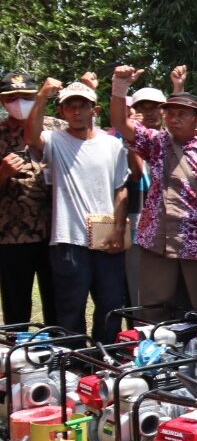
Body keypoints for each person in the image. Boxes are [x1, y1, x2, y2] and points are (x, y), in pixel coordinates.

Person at [107, 66, 197, 311]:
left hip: (196, 245)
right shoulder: (156, 143)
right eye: (170, 114)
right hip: (155, 243)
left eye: (182, 114)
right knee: (153, 314)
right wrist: (120, 86)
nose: (174, 119)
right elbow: (119, 121)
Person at [25, 79, 129, 342]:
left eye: (82, 106)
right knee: (71, 308)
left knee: (111, 305)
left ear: (94, 110)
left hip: (107, 239)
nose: (76, 112)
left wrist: (118, 229)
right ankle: (73, 363)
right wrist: (41, 97)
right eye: (70, 106)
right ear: (61, 112)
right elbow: (31, 137)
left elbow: (121, 189)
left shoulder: (112, 145)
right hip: (68, 239)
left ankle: (107, 360)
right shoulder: (54, 140)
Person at [0, 72, 61, 323]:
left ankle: (58, 354)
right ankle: (19, 356)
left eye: (25, 96)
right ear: (2, 102)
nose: (18, 101)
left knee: (58, 302)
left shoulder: (58, 128)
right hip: (11, 236)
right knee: (16, 308)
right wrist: (2, 174)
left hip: (56, 234)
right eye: (11, 97)